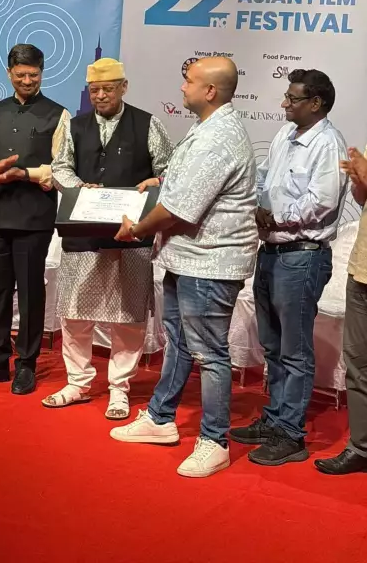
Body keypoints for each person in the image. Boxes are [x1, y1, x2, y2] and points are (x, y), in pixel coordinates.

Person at [111, 57, 258, 478]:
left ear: (210, 91)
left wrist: (137, 229)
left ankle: (214, 441)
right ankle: (161, 418)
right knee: (176, 341)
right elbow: (184, 186)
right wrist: (161, 184)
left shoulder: (219, 137)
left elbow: (179, 209)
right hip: (187, 256)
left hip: (210, 263)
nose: (182, 87)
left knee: (210, 354)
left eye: (189, 81)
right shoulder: (206, 127)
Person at [42, 58, 173, 419]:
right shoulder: (75, 125)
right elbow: (60, 168)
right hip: (83, 233)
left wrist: (156, 182)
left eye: (108, 89)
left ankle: (120, 388)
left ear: (123, 87)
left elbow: (169, 170)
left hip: (132, 234)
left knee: (128, 315)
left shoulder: (148, 124)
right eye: (94, 90)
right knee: (73, 312)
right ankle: (78, 382)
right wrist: (78, 187)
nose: (100, 96)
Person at [232, 69, 347, 466]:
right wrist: (258, 208)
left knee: (294, 351)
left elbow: (323, 202)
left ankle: (291, 434)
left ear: (316, 103)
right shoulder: (284, 134)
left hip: (303, 256)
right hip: (271, 252)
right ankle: (275, 419)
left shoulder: (328, 144)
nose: (284, 103)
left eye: (292, 98)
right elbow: (263, 178)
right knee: (273, 345)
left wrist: (276, 217)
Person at [0, 44, 69, 395]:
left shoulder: (58, 115)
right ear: (9, 73)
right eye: (20, 75)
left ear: (42, 73)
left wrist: (24, 173)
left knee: (30, 292)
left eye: (33, 75)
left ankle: (26, 363)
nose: (27, 81)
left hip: (35, 216)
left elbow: (62, 169)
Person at [315, 145, 367, 475]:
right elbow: (362, 201)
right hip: (361, 270)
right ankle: (361, 447)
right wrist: (360, 182)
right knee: (357, 365)